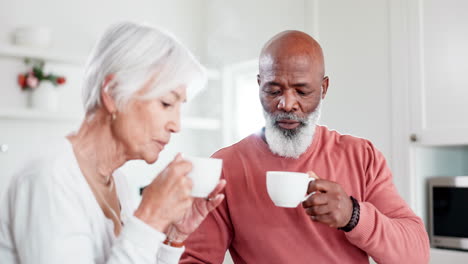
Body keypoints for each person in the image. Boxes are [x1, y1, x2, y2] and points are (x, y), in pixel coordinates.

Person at [181, 30, 430, 263]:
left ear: (323, 89)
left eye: (301, 91)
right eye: (273, 90)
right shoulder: (226, 166)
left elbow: (416, 255)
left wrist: (353, 215)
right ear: (259, 86)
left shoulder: (361, 156)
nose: (287, 104)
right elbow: (197, 260)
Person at [0, 22, 226, 264]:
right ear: (112, 92)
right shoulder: (48, 178)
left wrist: (173, 236)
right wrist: (149, 218)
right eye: (166, 103)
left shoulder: (119, 183)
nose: (176, 125)